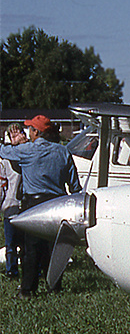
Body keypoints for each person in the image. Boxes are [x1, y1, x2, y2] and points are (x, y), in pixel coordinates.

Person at [0, 115, 82, 297]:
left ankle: (28, 289)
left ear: (36, 132)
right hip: (57, 203)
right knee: (54, 249)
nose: (28, 132)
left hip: (34, 204)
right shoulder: (63, 152)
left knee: (31, 249)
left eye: (30, 129)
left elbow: (3, 152)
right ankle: (55, 286)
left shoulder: (27, 150)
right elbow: (75, 186)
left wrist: (16, 144)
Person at [1, 124, 25, 281]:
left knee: (27, 243)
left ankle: (30, 269)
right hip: (11, 205)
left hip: (27, 206)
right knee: (11, 243)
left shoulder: (29, 154)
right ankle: (12, 270)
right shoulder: (4, 160)